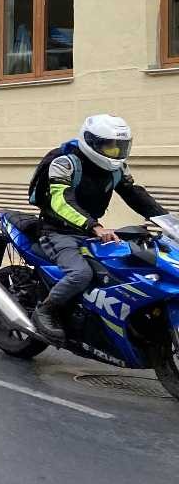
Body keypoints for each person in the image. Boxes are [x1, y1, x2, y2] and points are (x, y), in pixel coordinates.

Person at [27, 114, 167, 341]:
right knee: (81, 274)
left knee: (121, 270)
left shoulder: (117, 168)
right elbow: (61, 201)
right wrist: (95, 226)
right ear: (91, 142)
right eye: (110, 146)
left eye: (120, 147)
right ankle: (45, 310)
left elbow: (135, 195)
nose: (116, 152)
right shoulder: (65, 163)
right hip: (58, 231)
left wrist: (167, 221)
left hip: (90, 231)